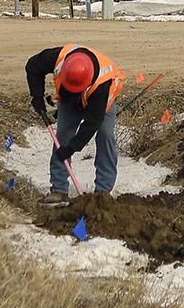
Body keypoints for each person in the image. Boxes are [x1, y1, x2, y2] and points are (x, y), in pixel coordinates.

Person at [26, 43, 126, 201]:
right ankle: (58, 188)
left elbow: (92, 122)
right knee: (63, 135)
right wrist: (36, 96)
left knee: (105, 135)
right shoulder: (57, 58)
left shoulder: (101, 84)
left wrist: (72, 148)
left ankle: (103, 192)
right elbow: (33, 66)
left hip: (103, 101)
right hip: (69, 98)